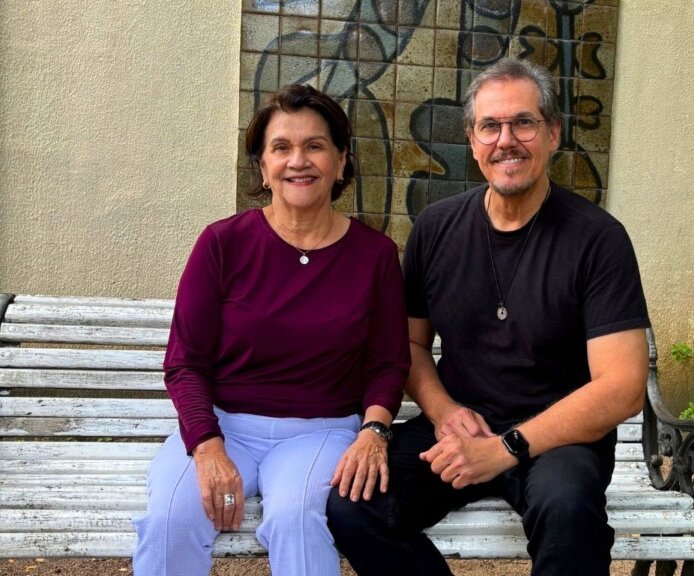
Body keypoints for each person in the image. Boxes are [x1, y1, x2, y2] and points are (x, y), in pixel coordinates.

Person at [326, 57, 650, 576]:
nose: (506, 141)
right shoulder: (436, 228)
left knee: (569, 513)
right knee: (354, 506)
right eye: (490, 126)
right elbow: (408, 345)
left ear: (553, 133)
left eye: (523, 123)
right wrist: (442, 412)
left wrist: (507, 447)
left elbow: (624, 386)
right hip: (460, 425)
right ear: (472, 140)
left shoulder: (598, 239)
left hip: (558, 438)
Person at [133, 84, 410, 576]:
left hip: (321, 432)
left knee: (296, 519)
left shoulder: (376, 255)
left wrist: (374, 431)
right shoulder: (222, 243)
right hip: (222, 428)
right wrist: (207, 446)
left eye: (315, 146)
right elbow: (185, 363)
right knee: (171, 519)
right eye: (281, 147)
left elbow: (388, 362)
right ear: (263, 167)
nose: (297, 161)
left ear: (341, 161)